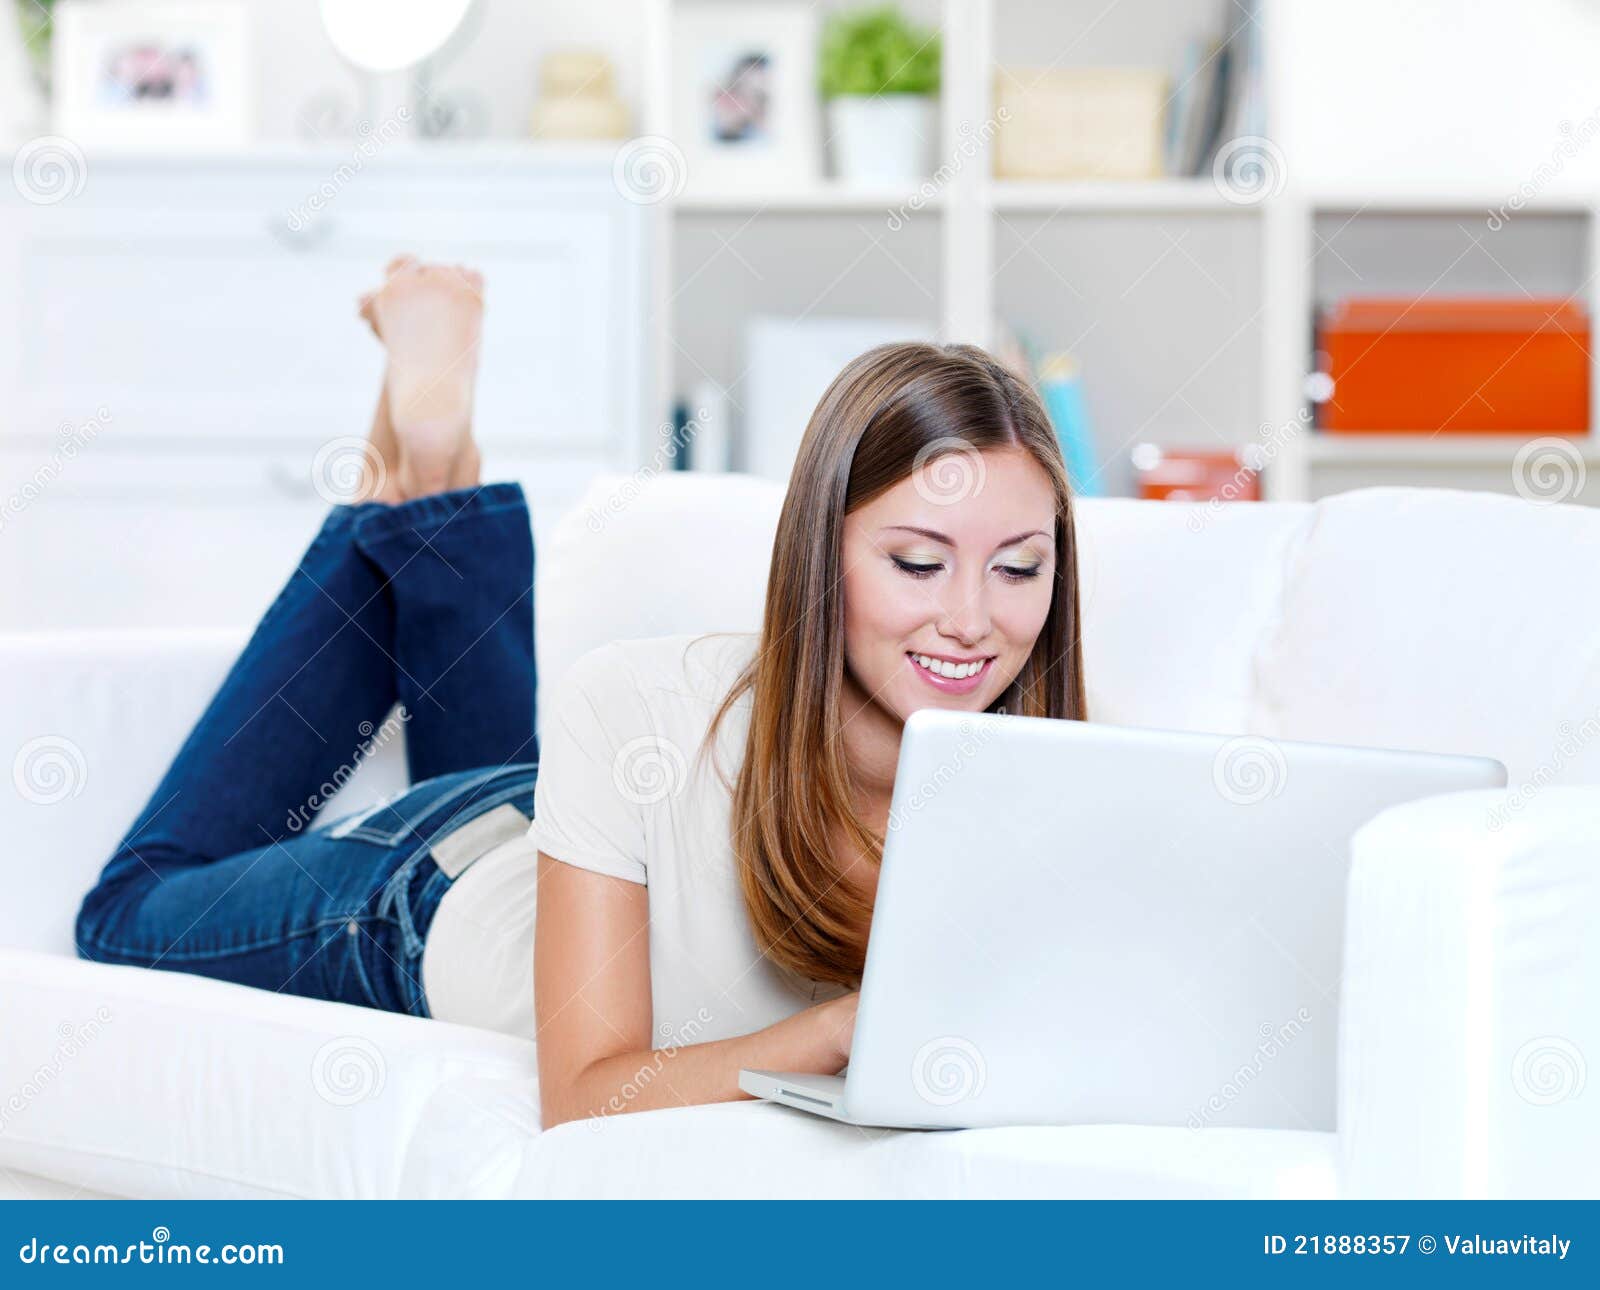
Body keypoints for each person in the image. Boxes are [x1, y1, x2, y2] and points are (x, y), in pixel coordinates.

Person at [76, 258, 1089, 1129]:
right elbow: (585, 1095)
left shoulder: (1065, 786)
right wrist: (829, 1033)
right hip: (425, 896)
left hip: (568, 818)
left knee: (524, 776)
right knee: (122, 916)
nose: (971, 620)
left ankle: (433, 476)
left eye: (1017, 566)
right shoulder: (639, 702)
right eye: (918, 562)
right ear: (820, 555)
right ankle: (418, 468)